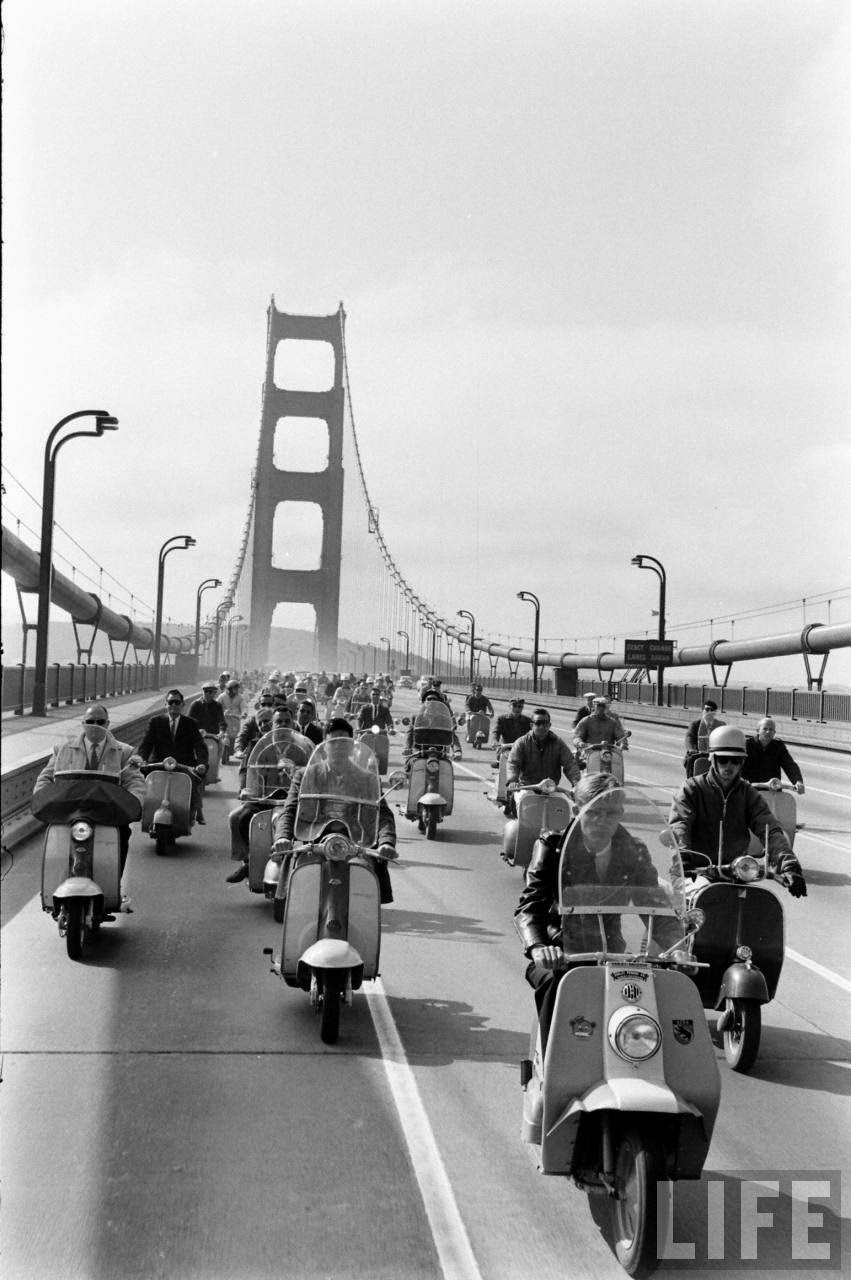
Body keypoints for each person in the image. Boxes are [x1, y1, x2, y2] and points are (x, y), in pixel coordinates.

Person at [515, 773, 683, 1054]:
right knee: (554, 986)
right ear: (578, 810)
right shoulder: (552, 847)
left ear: (621, 814)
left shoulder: (634, 851)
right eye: (594, 812)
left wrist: (676, 947)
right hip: (561, 950)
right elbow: (529, 906)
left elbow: (657, 907)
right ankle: (549, 1062)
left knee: (654, 994)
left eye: (610, 813)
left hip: (612, 952)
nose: (602, 821)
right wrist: (538, 947)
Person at [272, 718, 398, 904]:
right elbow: (290, 809)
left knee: (365, 877)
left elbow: (383, 814)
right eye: (333, 742)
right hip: (313, 840)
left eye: (343, 742)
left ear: (351, 747)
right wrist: (282, 837)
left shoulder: (367, 779)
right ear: (325, 746)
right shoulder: (306, 775)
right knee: (297, 875)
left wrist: (387, 842)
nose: (338, 747)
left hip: (355, 843)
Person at [668, 726, 806, 894]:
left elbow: (770, 829)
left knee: (754, 910)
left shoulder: (748, 793)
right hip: (693, 871)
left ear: (742, 762)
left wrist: (789, 866)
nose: (729, 765)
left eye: (736, 760)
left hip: (733, 871)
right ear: (712, 759)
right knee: (707, 898)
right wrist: (683, 858)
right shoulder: (692, 789)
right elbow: (679, 825)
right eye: (723, 759)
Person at [34, 704, 147, 878]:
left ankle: (113, 888)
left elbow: (135, 781)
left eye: (100, 722)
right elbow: (46, 778)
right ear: (83, 723)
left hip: (108, 812)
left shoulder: (123, 752)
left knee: (122, 834)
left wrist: (132, 802)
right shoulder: (62, 749)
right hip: (71, 811)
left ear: (107, 724)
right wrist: (43, 797)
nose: (95, 725)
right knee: (54, 838)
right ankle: (55, 886)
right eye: (90, 721)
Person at [225, 707, 314, 883]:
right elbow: (248, 771)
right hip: (266, 797)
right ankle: (247, 861)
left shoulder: (303, 748)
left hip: (294, 799)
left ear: (293, 723)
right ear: (272, 724)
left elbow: (312, 773)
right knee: (237, 818)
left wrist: (296, 771)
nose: (282, 725)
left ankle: (308, 867)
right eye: (278, 721)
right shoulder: (259, 746)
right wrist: (245, 789)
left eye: (286, 721)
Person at [138, 690, 209, 821]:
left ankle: (197, 809)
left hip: (184, 764)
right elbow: (146, 743)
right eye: (171, 702)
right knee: (141, 783)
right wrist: (141, 759)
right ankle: (140, 810)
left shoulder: (191, 723)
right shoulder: (155, 722)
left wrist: (201, 763)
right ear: (165, 704)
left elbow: (200, 746)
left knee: (192, 782)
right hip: (159, 764)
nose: (174, 705)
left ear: (183, 704)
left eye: (177, 702)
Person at [505, 708, 581, 816]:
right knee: (526, 811)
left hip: (550, 788)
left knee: (563, 810)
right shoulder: (522, 742)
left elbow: (570, 763)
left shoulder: (558, 743)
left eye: (545, 723)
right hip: (527, 787)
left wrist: (577, 783)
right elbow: (513, 763)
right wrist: (513, 780)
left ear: (549, 725)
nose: (541, 726)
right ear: (532, 725)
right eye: (538, 723)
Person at [742, 718, 805, 793]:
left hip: (772, 792)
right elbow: (738, 766)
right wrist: (742, 782)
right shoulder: (747, 745)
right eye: (765, 729)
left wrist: (798, 782)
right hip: (751, 791)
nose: (768, 732)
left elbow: (789, 765)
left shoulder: (778, 746)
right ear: (758, 731)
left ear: (774, 732)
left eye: (771, 729)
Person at [683, 701, 726, 777]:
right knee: (691, 761)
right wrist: (691, 749)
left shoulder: (721, 725)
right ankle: (690, 783)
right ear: (703, 710)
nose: (709, 712)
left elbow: (726, 738)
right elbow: (689, 737)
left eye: (712, 710)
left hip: (715, 755)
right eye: (707, 709)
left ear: (715, 712)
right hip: (699, 754)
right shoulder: (695, 724)